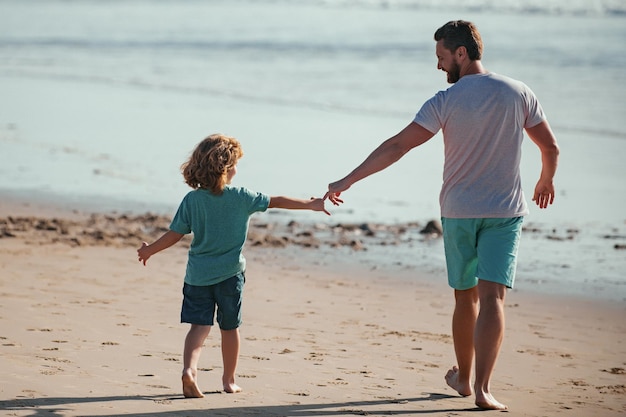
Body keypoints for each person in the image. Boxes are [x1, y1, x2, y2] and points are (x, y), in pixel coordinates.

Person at [324, 20, 559, 410]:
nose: (438, 66)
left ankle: (464, 380)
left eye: (441, 57)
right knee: (493, 298)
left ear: (461, 54)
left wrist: (348, 180)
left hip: (459, 212)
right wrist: (545, 181)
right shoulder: (520, 92)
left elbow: (398, 145)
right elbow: (550, 147)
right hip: (504, 212)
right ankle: (483, 389)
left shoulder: (445, 101)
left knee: (464, 298)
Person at [137, 133, 335, 398]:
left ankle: (189, 370)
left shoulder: (192, 200)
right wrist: (312, 205)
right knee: (230, 328)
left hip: (198, 276)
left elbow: (175, 234)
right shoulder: (242, 197)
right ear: (227, 169)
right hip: (230, 275)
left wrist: (150, 249)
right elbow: (276, 201)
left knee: (199, 327)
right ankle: (229, 381)